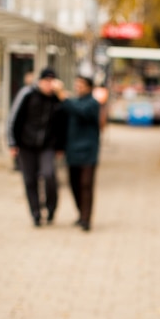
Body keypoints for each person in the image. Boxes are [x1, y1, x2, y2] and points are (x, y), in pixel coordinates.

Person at [8, 67, 65, 227]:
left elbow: (63, 123)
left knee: (48, 175)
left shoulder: (56, 99)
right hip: (26, 145)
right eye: (46, 81)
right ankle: (35, 213)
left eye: (51, 81)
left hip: (47, 146)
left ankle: (51, 207)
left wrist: (60, 146)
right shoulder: (27, 94)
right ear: (39, 81)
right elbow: (14, 117)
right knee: (29, 180)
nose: (48, 85)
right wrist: (12, 143)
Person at [53, 75, 101, 232]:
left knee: (86, 185)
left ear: (89, 87)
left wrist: (63, 97)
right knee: (74, 185)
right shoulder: (72, 102)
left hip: (88, 152)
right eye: (76, 84)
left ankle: (86, 219)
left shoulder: (92, 104)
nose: (78, 87)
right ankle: (81, 214)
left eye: (81, 84)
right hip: (72, 151)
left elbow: (82, 112)